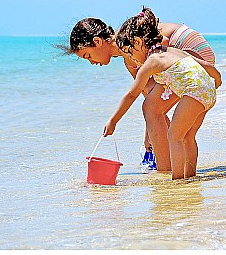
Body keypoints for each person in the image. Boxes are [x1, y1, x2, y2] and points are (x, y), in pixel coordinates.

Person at [65, 16, 217, 172]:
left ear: (97, 42)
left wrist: (117, 121)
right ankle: (173, 166)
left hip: (193, 49)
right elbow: (148, 93)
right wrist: (150, 133)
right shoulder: (129, 59)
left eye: (88, 56)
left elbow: (163, 42)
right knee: (154, 110)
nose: (91, 62)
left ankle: (166, 170)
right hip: (193, 61)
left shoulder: (129, 39)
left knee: (154, 111)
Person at [102, 7, 222, 180]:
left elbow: (131, 95)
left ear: (138, 43)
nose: (133, 61)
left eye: (131, 54)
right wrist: (217, 81)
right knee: (187, 137)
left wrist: (113, 121)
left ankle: (178, 180)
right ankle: (191, 176)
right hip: (207, 91)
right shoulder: (172, 51)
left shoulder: (151, 62)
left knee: (174, 135)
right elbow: (206, 66)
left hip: (194, 93)